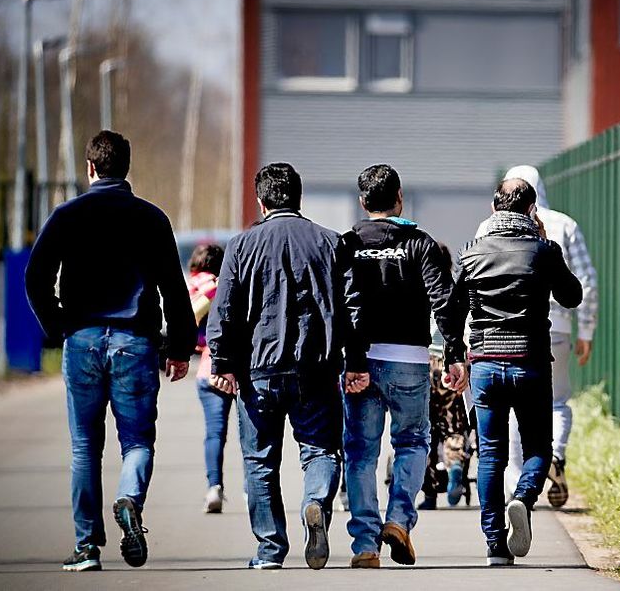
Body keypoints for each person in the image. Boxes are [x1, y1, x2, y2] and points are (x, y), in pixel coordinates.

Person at [25, 130, 196, 572]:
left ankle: (86, 547)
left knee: (85, 446)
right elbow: (175, 289)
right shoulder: (151, 218)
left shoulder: (67, 215)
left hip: (81, 339)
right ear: (126, 167)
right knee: (137, 440)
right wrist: (179, 348)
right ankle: (129, 499)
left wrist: (58, 325)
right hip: (134, 343)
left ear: (90, 167)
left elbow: (35, 277)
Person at [206, 162, 366, 571]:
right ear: (299, 198)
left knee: (260, 461)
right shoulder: (331, 242)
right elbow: (353, 307)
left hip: (257, 370)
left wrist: (221, 362)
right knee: (321, 450)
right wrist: (355, 361)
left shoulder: (241, 246)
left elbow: (222, 309)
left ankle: (270, 550)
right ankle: (314, 502)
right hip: (316, 367)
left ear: (261, 201)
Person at [445, 178, 582, 566]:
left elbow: (452, 313)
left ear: (493, 209)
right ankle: (522, 498)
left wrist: (456, 354)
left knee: (490, 455)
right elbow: (572, 296)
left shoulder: (472, 253)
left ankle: (495, 546)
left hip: (485, 365)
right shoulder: (544, 251)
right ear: (531, 210)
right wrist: (547, 246)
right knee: (538, 447)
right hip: (531, 363)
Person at [341, 164, 465, 568]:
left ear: (363, 202)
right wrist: (454, 353)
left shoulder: (347, 243)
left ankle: (364, 545)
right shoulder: (421, 243)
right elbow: (444, 299)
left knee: (361, 452)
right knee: (412, 442)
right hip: (410, 361)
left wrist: (348, 357)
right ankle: (397, 520)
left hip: (360, 361)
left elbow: (339, 302)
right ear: (400, 198)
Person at [477, 165, 598, 508]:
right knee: (557, 403)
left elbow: (474, 280)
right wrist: (585, 329)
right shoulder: (564, 224)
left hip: (491, 339)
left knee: (501, 430)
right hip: (550, 331)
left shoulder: (488, 227)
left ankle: (517, 486)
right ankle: (554, 459)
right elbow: (584, 282)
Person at [419, 242, 475, 511]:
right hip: (451, 362)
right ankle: (455, 467)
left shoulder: (419, 290)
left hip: (423, 364)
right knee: (454, 426)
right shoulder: (456, 291)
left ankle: (429, 493)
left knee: (425, 430)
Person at [186, 243, 232, 513]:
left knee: (214, 433)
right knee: (255, 435)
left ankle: (214, 486)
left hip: (208, 368)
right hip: (242, 368)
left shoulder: (191, 285)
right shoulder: (223, 284)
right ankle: (254, 488)